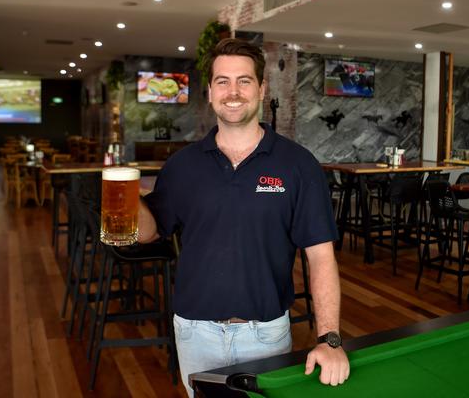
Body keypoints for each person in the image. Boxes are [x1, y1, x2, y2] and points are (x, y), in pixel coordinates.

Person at [138, 38, 349, 396]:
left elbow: (321, 257)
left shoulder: (298, 165)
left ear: (262, 88)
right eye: (223, 81)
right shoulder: (181, 166)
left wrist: (329, 339)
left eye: (244, 81)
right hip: (194, 330)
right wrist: (127, 199)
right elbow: (147, 233)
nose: (232, 91)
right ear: (209, 91)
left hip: (264, 333)